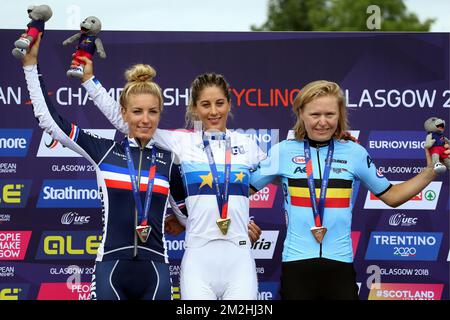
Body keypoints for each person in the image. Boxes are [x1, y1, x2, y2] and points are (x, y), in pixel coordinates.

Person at [76, 57, 265, 299]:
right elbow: (126, 122)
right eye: (206, 104)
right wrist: (90, 81)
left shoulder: (248, 146)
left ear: (229, 104)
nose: (214, 111)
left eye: (220, 103)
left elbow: (262, 181)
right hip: (198, 254)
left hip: (238, 252)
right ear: (195, 108)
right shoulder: (180, 142)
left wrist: (241, 220)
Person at [21, 34, 188, 300]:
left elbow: (191, 217)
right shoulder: (105, 152)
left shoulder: (170, 161)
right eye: (137, 112)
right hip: (111, 268)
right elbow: (51, 121)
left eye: (152, 112)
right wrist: (30, 65)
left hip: (156, 271)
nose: (145, 119)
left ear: (160, 113)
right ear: (123, 113)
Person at [249, 80, 447, 300]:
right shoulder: (282, 152)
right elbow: (241, 191)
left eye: (330, 114)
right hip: (296, 267)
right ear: (300, 113)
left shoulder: (354, 152)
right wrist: (240, 223)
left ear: (340, 114)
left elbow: (392, 196)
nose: (323, 122)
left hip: (340, 267)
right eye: (315, 115)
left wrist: (430, 171)